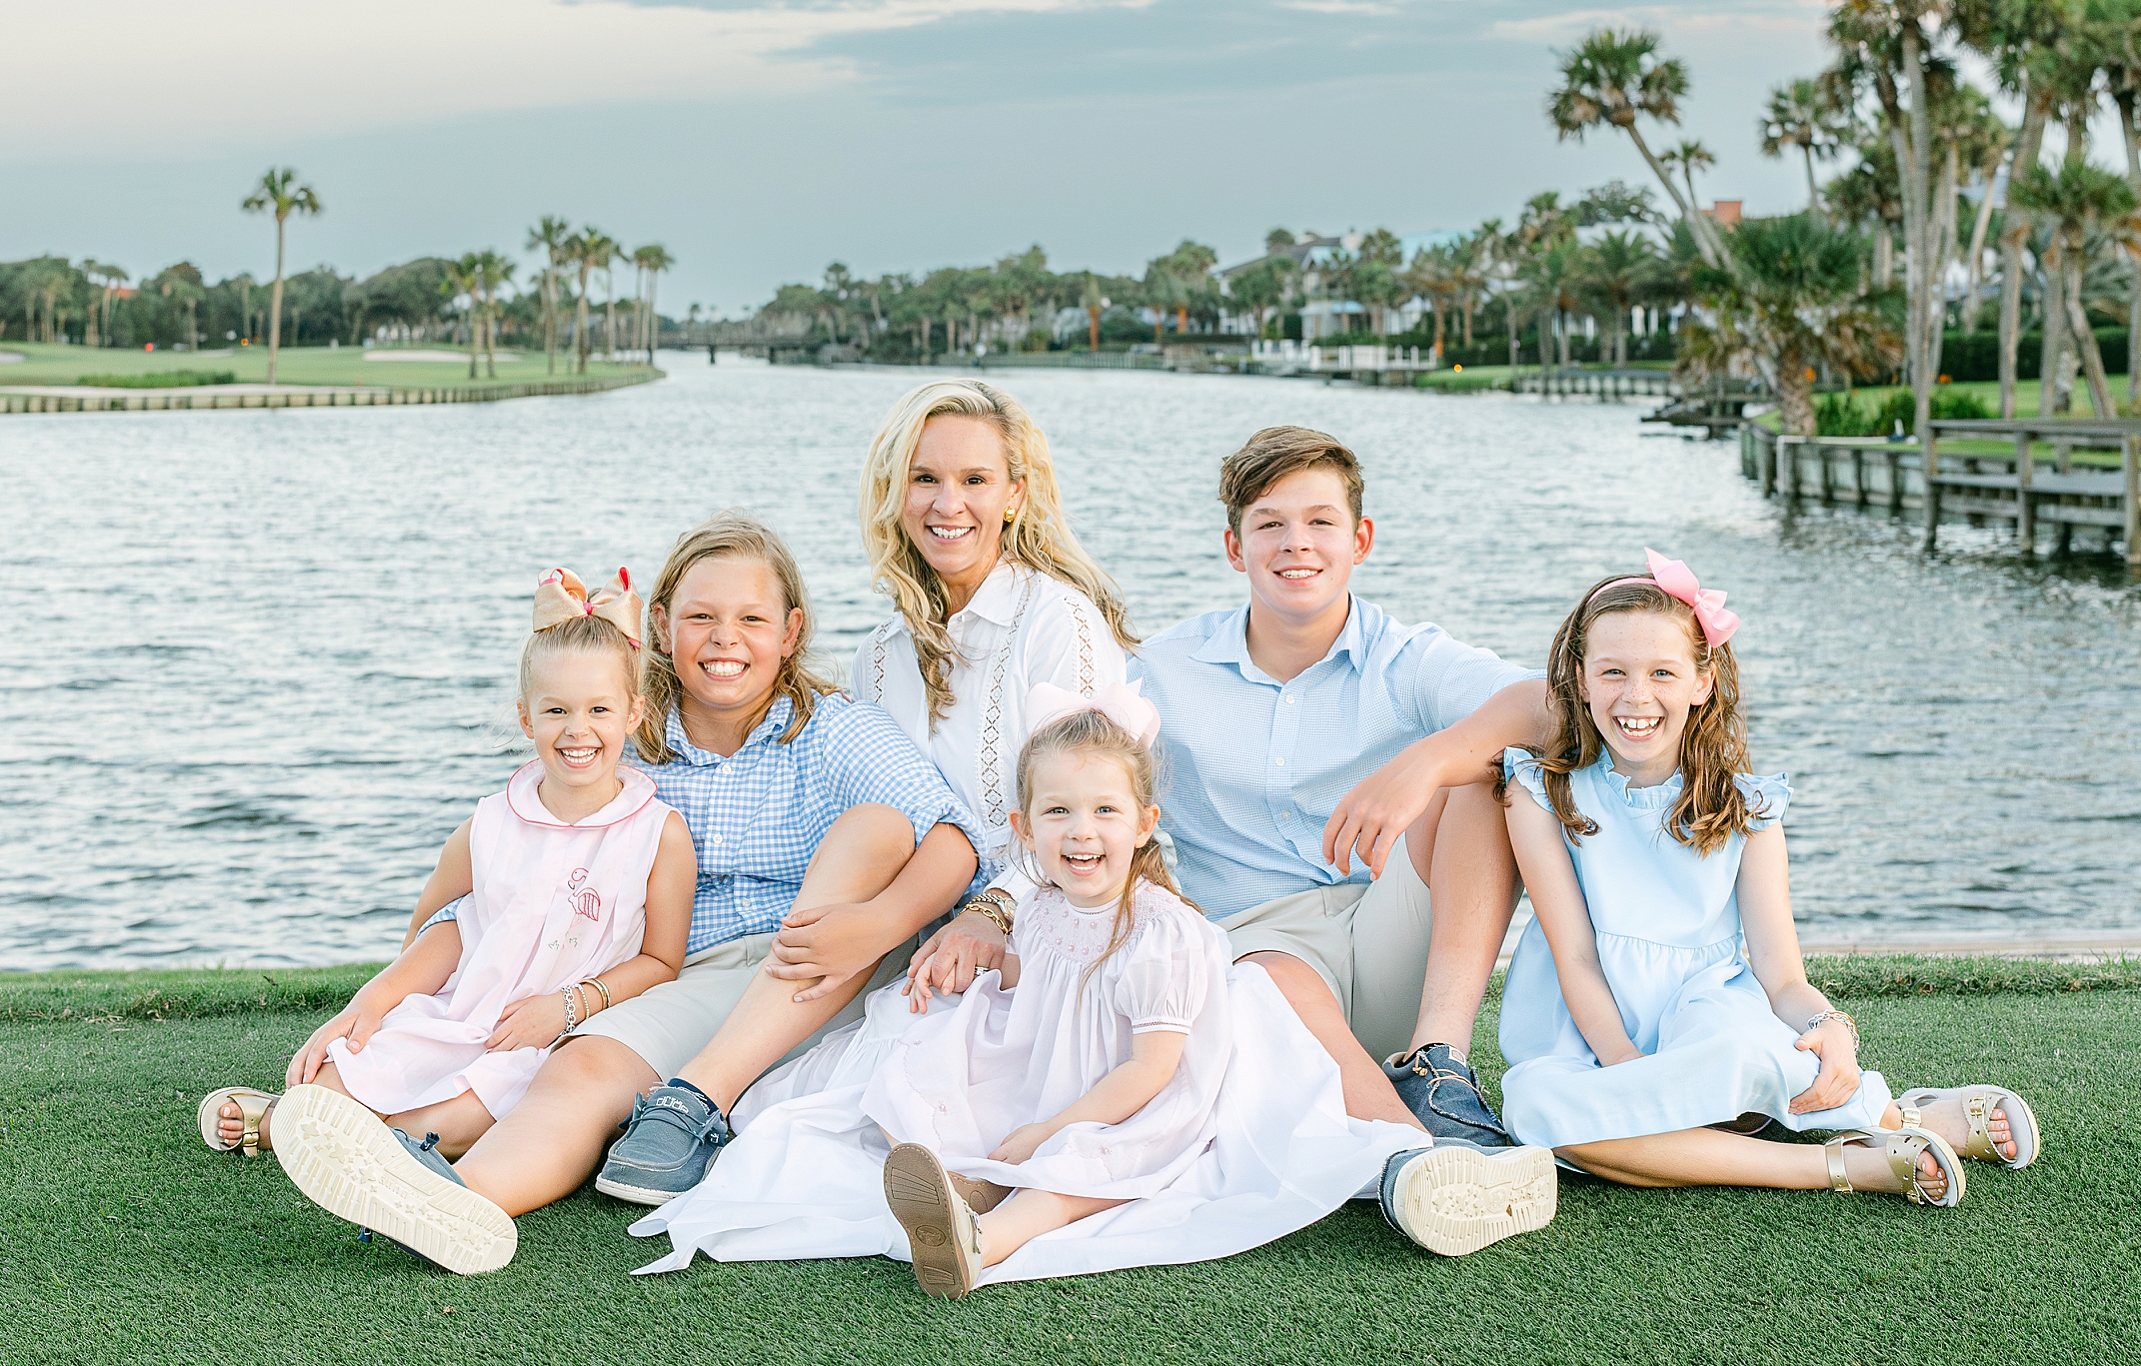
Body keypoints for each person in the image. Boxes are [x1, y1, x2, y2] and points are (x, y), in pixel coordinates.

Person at [242, 514, 988, 1274]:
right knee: (579, 1069)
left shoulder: (835, 731)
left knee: (880, 825)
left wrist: (880, 923)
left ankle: (689, 1100)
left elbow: (957, 838)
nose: (725, 639)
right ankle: (455, 1197)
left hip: (816, 955)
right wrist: (401, 987)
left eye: (752, 620)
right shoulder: (621, 726)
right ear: (660, 625)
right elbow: (515, 857)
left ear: (791, 632)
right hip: (674, 972)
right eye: (701, 617)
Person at [912, 425, 1559, 1257]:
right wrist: (996, 911)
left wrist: (1426, 762)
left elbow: (1553, 704)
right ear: (1234, 545)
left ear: (1359, 540)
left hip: (1395, 938)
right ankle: (1421, 1163)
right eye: (1270, 524)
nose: (1298, 545)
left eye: (1321, 522)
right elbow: (1081, 803)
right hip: (1258, 959)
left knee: (1483, 775)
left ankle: (1438, 1066)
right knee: (1271, 968)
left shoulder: (1408, 657)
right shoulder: (1165, 670)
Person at [627, 686, 1439, 1292]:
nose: (1082, 832)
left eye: (1104, 811)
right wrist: (965, 993)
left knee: (1081, 1163)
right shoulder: (1041, 912)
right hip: (1053, 1077)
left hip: (1137, 1100)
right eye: (1057, 812)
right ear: (1023, 830)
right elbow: (1028, 996)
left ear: (1145, 822)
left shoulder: (1161, 932)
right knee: (933, 1067)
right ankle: (961, 1183)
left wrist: (1056, 1123)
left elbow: (1153, 1074)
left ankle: (985, 1245)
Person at [1495, 550, 2041, 1202]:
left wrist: (1834, 1031)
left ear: (1702, 681)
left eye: (1663, 672)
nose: (1636, 697)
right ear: (1581, 679)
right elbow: (1577, 958)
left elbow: (1781, 977)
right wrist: (1632, 1077)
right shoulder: (1540, 795)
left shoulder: (1748, 808)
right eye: (1613, 672)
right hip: (1592, 1038)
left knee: (1736, 1053)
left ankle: (1897, 1116)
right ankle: (1843, 1163)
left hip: (1709, 1024)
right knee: (1533, 1109)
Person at [197, 568, 697, 1273]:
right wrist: (368, 1006)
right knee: (344, 1070)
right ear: (526, 718)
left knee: (477, 1106)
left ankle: (345, 1150)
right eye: (556, 712)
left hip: (551, 1032)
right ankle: (310, 1122)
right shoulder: (491, 824)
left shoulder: (655, 833)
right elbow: (446, 927)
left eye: (598, 711)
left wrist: (566, 1006)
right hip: (463, 1007)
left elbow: (661, 962)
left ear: (634, 714)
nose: (577, 731)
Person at [848, 379, 1132, 881]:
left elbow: (1093, 826)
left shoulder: (1057, 623)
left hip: (1042, 918)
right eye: (924, 479)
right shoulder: (876, 657)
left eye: (975, 480)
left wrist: (991, 913)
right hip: (910, 926)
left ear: (1013, 494)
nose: (948, 504)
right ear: (895, 491)